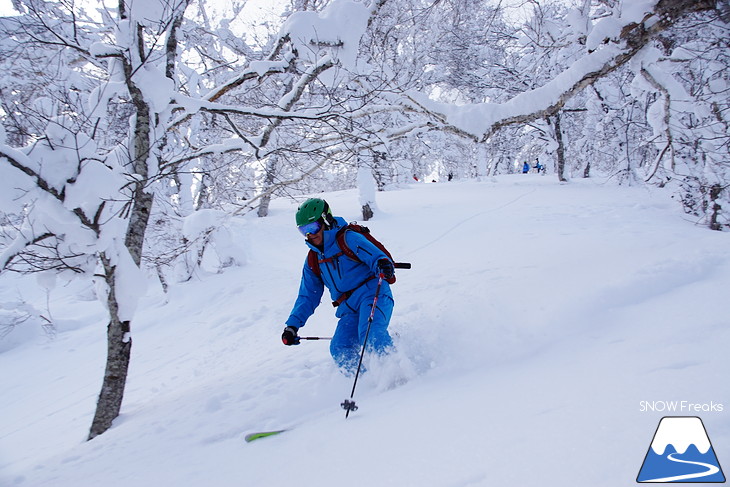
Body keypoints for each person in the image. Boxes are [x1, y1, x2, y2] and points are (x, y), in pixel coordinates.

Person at [282, 198, 396, 374]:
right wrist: (293, 326)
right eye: (303, 231)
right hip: (349, 308)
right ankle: (369, 383)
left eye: (312, 228)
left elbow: (376, 256)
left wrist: (383, 264)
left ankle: (398, 375)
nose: (310, 235)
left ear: (326, 220)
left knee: (370, 336)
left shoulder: (348, 238)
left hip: (373, 294)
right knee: (339, 348)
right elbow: (308, 296)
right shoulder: (314, 259)